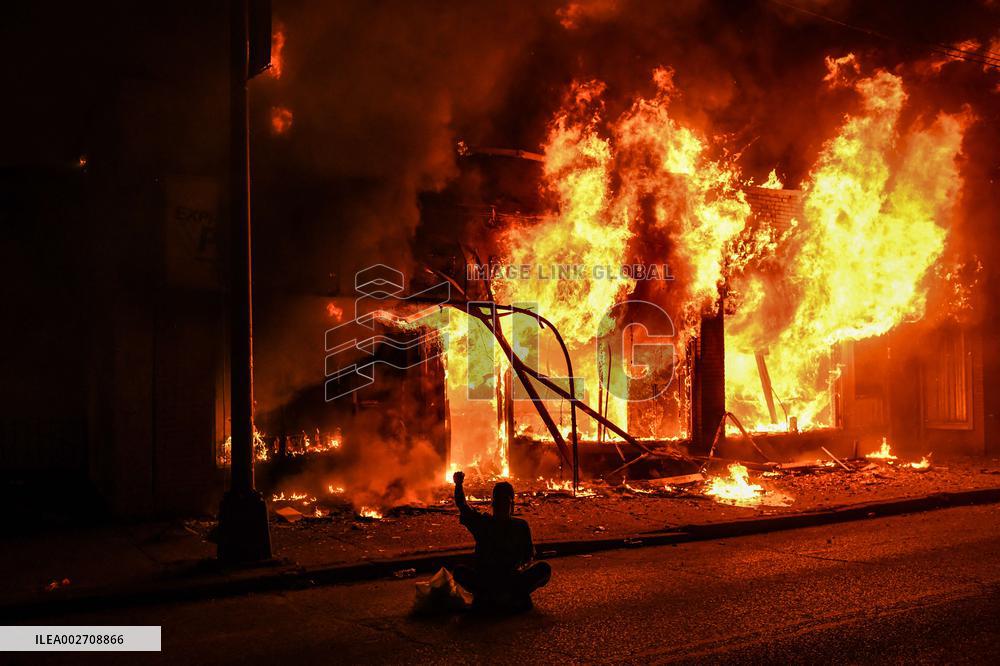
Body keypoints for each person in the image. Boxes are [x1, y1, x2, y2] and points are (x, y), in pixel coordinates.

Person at [451, 470, 551, 611]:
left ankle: (494, 598)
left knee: (544, 569)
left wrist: (514, 569)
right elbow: (462, 505)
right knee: (459, 571)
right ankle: (509, 598)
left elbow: (529, 556)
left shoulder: (516, 526)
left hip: (507, 581)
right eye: (500, 502)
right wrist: (458, 485)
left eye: (505, 502)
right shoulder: (484, 523)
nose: (502, 507)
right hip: (491, 581)